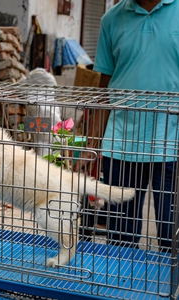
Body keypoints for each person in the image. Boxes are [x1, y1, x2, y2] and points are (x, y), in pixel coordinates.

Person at [75, 0, 179, 251]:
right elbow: (104, 90)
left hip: (172, 144)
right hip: (122, 145)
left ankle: (170, 289)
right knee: (121, 236)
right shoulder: (111, 19)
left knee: (172, 236)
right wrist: (91, 146)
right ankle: (121, 290)